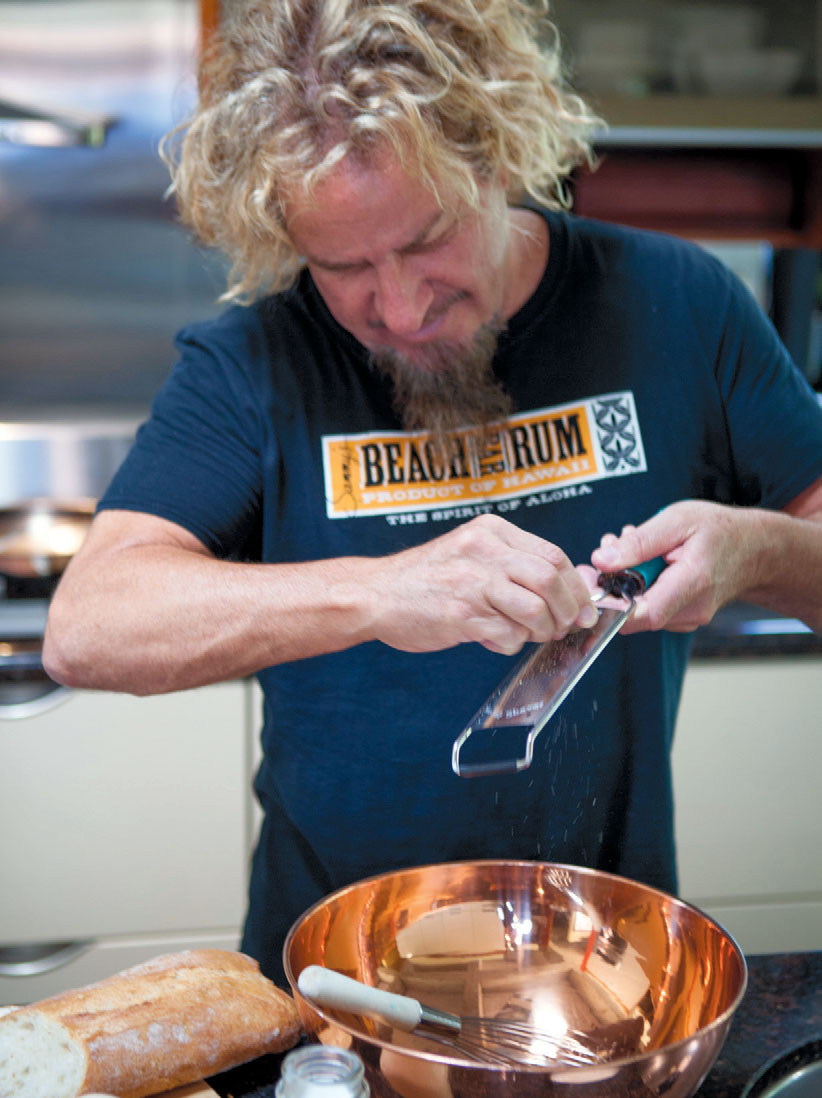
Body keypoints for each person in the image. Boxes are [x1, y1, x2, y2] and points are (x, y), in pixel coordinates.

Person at [43, 0, 822, 987]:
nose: (401, 309)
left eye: (428, 240)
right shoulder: (258, 361)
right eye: (346, 268)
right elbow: (87, 625)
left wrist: (759, 549)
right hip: (331, 982)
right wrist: (381, 592)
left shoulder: (678, 303)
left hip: (604, 979)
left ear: (500, 157)